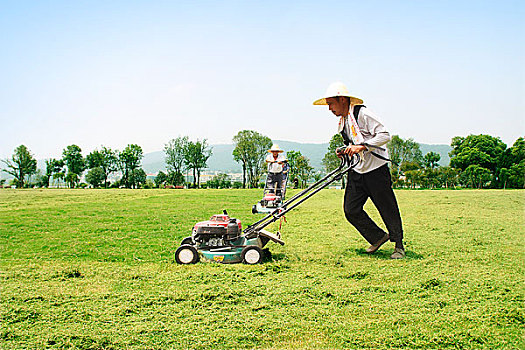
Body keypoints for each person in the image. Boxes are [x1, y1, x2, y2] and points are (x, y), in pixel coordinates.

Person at [313, 82, 405, 259]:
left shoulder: (362, 113)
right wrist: (345, 150)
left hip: (376, 170)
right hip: (357, 170)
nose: (330, 109)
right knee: (351, 209)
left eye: (331, 104)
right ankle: (377, 237)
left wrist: (362, 147)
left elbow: (384, 135)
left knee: (387, 208)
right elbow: (352, 143)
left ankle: (399, 245)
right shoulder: (344, 121)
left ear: (342, 100)